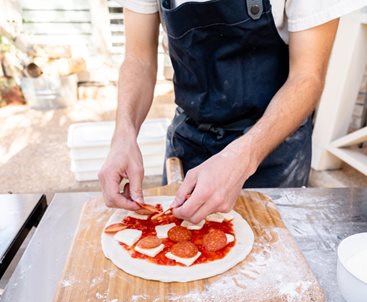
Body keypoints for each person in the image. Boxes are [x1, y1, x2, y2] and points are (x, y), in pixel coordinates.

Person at [99, 0, 366, 223]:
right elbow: (138, 59)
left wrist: (242, 157)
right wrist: (123, 134)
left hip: (273, 149)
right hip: (189, 139)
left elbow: (307, 77)